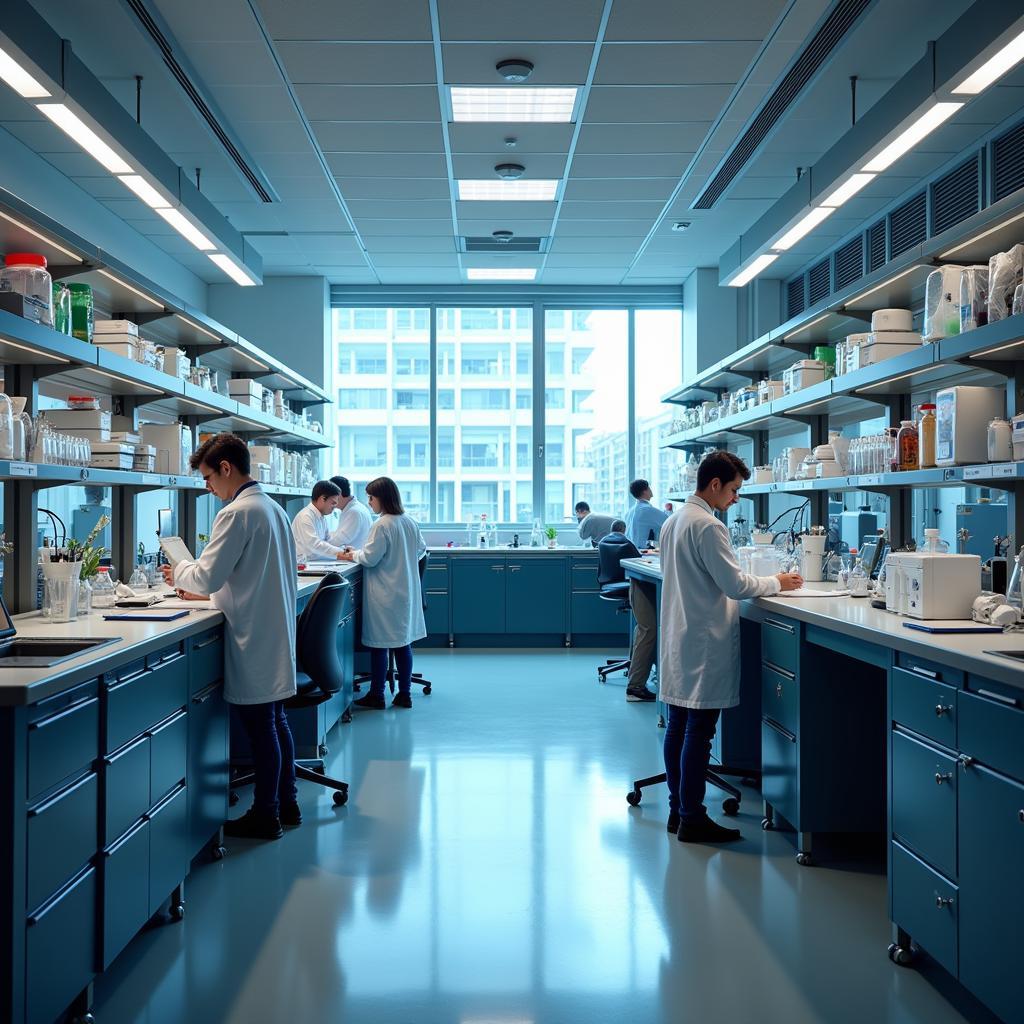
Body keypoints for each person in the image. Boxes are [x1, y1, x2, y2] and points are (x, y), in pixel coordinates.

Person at [160, 433, 299, 841]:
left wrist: (180, 569)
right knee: (275, 723)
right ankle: (287, 802)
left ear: (226, 468)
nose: (207, 487)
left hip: (253, 635)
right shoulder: (272, 508)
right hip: (271, 630)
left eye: (208, 478)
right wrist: (200, 582)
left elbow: (208, 575)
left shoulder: (237, 512)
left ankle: (267, 814)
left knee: (262, 728)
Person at [659, 450, 802, 844]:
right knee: (699, 733)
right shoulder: (707, 525)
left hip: (680, 636)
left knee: (678, 726)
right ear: (715, 484)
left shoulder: (674, 520)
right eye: (735, 490)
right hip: (702, 640)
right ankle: (692, 818)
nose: (736, 498)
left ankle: (677, 810)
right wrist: (778, 581)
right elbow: (736, 586)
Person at [339, 477, 426, 710]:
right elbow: (420, 549)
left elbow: (369, 558)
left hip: (385, 595)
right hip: (404, 593)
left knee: (380, 645)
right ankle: (404, 694)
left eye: (371, 497)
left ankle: (377, 695)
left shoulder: (382, 524)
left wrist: (352, 555)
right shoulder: (409, 522)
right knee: (402, 644)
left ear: (382, 498)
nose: (369, 502)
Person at [598, 524, 655, 702]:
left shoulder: (609, 538)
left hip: (619, 582)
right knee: (649, 627)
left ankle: (636, 672)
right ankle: (636, 686)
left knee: (644, 626)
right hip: (630, 583)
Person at [291, 480, 346, 562]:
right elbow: (314, 545)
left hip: (315, 565)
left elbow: (328, 541)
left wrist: (344, 549)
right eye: (333, 503)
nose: (335, 507)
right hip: (304, 567)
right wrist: (342, 553)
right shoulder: (305, 516)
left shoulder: (321, 517)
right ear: (322, 498)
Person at [328, 475, 374, 550]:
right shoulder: (353, 508)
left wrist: (316, 542)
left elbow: (338, 540)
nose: (328, 500)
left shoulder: (354, 512)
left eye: (329, 496)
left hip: (354, 559)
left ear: (338, 494)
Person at [624, 479, 669, 550]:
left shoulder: (629, 512)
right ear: (645, 491)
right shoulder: (647, 510)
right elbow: (670, 523)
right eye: (649, 487)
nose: (651, 489)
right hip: (644, 554)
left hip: (631, 553)